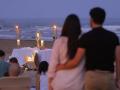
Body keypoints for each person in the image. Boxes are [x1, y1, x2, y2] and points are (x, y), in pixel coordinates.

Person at [57, 7, 119, 90]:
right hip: (108, 77)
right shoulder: (113, 37)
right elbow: (118, 60)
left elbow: (76, 61)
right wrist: (117, 78)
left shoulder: (85, 37)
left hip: (91, 78)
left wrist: (60, 66)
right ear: (103, 19)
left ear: (91, 19)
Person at [48, 14, 85, 90]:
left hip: (60, 84)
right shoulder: (83, 43)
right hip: (77, 84)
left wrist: (50, 83)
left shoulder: (59, 42)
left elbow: (53, 64)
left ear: (65, 27)